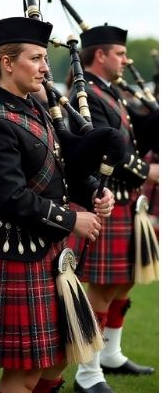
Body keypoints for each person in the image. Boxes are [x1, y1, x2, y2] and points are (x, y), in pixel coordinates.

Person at [0, 16, 115, 393]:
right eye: (35, 58)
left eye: (44, 59)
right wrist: (73, 220)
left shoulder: (33, 108)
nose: (45, 67)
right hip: (16, 249)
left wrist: (93, 193)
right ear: (7, 63)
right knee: (23, 374)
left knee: (58, 358)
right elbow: (9, 197)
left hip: (46, 246)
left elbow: (59, 166)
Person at [68, 25, 158, 392]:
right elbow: (104, 147)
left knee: (123, 282)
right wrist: (146, 170)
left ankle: (110, 355)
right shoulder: (85, 93)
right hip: (105, 199)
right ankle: (87, 375)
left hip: (125, 199)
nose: (125, 59)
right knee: (102, 289)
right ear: (101, 55)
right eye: (119, 53)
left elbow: (133, 134)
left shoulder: (108, 91)